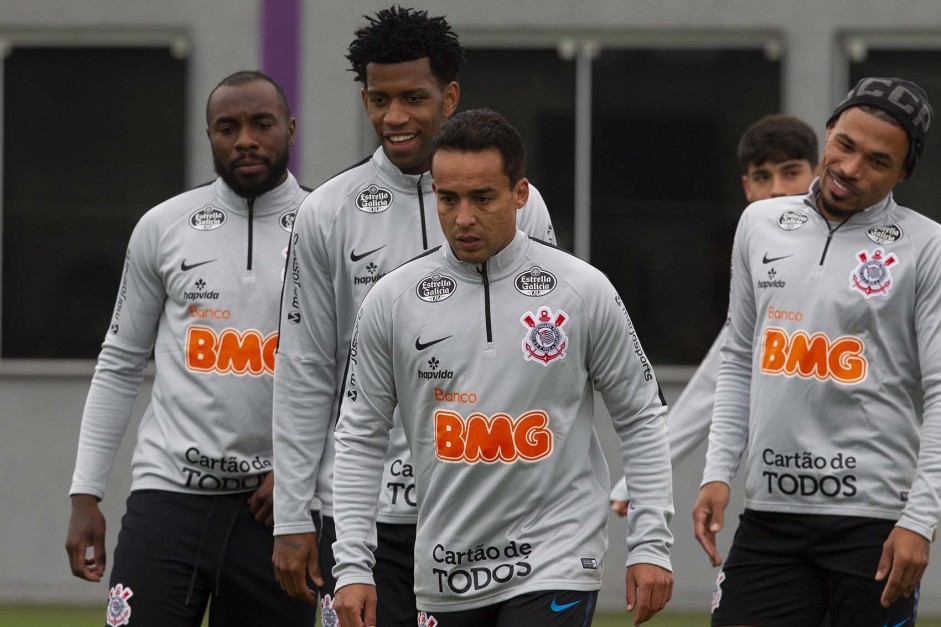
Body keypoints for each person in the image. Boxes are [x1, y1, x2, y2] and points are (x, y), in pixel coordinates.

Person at [329, 108, 673, 627]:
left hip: (556, 558)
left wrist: (650, 544)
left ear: (520, 194)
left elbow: (642, 416)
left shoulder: (583, 291)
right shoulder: (392, 301)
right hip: (447, 570)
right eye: (448, 199)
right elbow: (358, 437)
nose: (463, 217)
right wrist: (353, 566)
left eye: (482, 198)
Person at [270, 8, 555, 626]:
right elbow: (303, 368)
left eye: (412, 98)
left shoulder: (522, 209)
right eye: (378, 99)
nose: (393, 117)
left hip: (489, 506)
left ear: (448, 95)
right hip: (369, 517)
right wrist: (294, 514)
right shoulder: (327, 212)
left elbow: (545, 360)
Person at [64, 71, 315, 627]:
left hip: (279, 507)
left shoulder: (329, 227)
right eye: (228, 127)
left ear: (291, 130)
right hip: (169, 496)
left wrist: (304, 473)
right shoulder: (163, 226)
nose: (245, 138)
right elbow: (120, 362)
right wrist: (86, 492)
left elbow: (357, 374)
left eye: (261, 123)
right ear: (209, 136)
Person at [693, 77, 937, 626]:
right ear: (828, 133)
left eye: (877, 161)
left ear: (903, 173)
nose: (850, 168)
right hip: (770, 516)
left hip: (873, 523)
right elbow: (737, 357)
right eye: (845, 145)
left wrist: (919, 521)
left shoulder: (927, 247)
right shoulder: (759, 224)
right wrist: (717, 472)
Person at [610, 114, 818, 515]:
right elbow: (722, 375)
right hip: (781, 489)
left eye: (790, 172)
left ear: (817, 173)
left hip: (866, 496)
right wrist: (641, 477)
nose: (777, 190)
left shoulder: (872, 256)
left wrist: (918, 503)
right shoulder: (763, 267)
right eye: (762, 177)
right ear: (746, 188)